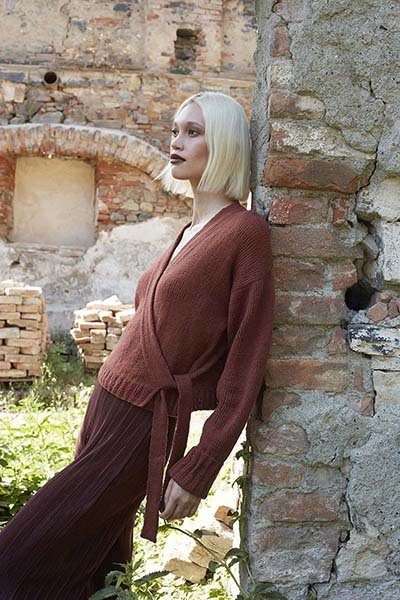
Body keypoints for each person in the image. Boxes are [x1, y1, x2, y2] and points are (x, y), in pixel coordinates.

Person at [0, 91, 275, 599]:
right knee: (90, 566)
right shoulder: (189, 229)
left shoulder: (245, 234)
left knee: (16, 559)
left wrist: (199, 467)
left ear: (226, 145)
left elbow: (246, 362)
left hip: (142, 421)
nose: (176, 141)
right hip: (106, 405)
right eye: (174, 130)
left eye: (193, 132)